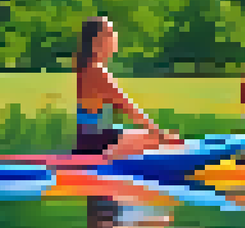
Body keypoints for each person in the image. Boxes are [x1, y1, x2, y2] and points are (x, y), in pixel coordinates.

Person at [72, 16, 181, 159]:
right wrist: (160, 135)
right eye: (110, 33)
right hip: (94, 144)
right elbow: (131, 109)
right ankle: (106, 159)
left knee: (146, 136)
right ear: (97, 41)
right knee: (158, 141)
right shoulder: (96, 71)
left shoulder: (84, 68)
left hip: (90, 138)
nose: (115, 36)